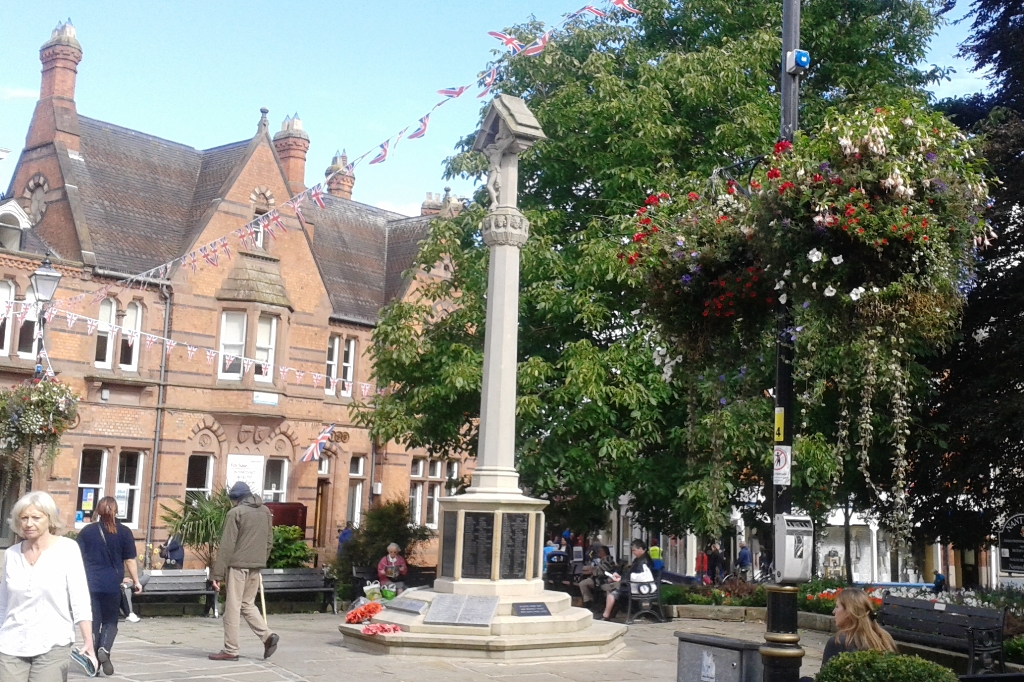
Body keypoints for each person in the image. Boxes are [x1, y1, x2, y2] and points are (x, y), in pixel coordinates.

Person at [0, 491, 96, 681]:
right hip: (11, 643)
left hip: (53, 642)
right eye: (24, 518)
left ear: (50, 518)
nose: (29, 523)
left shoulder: (67, 549)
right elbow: (3, 603)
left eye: (36, 517)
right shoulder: (11, 554)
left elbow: (80, 599)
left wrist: (88, 641)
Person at [209, 481, 278, 662]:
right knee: (247, 604)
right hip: (256, 566)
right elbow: (269, 541)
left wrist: (217, 575)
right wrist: (260, 559)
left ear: (236, 499)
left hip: (237, 566)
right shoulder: (264, 511)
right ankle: (267, 636)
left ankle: (230, 649)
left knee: (232, 607)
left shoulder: (236, 513)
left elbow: (227, 545)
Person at [76, 496, 142, 676]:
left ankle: (94, 663)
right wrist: (136, 581)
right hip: (112, 584)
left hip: (89, 584)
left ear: (97, 510)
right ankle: (104, 648)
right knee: (111, 621)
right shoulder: (124, 532)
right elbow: (129, 560)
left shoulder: (87, 532)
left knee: (94, 622)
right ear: (116, 511)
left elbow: (76, 558)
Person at [815, 589, 897, 674]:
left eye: (837, 607)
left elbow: (825, 677)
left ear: (849, 612)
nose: (833, 612)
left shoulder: (839, 641)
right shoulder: (884, 638)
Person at [598, 539, 654, 621]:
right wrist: (621, 578)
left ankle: (606, 615)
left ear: (641, 549)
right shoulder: (640, 559)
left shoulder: (643, 561)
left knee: (612, 591)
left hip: (639, 587)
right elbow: (632, 575)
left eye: (634, 550)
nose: (633, 552)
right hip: (635, 585)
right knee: (612, 589)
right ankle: (608, 614)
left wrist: (621, 579)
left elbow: (637, 576)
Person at [578, 544, 617, 610]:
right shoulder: (605, 559)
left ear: (603, 552)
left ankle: (588, 600)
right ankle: (588, 599)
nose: (598, 553)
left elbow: (602, 572)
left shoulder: (607, 560)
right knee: (584, 581)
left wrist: (592, 572)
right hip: (598, 579)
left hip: (601, 580)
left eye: (599, 551)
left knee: (582, 583)